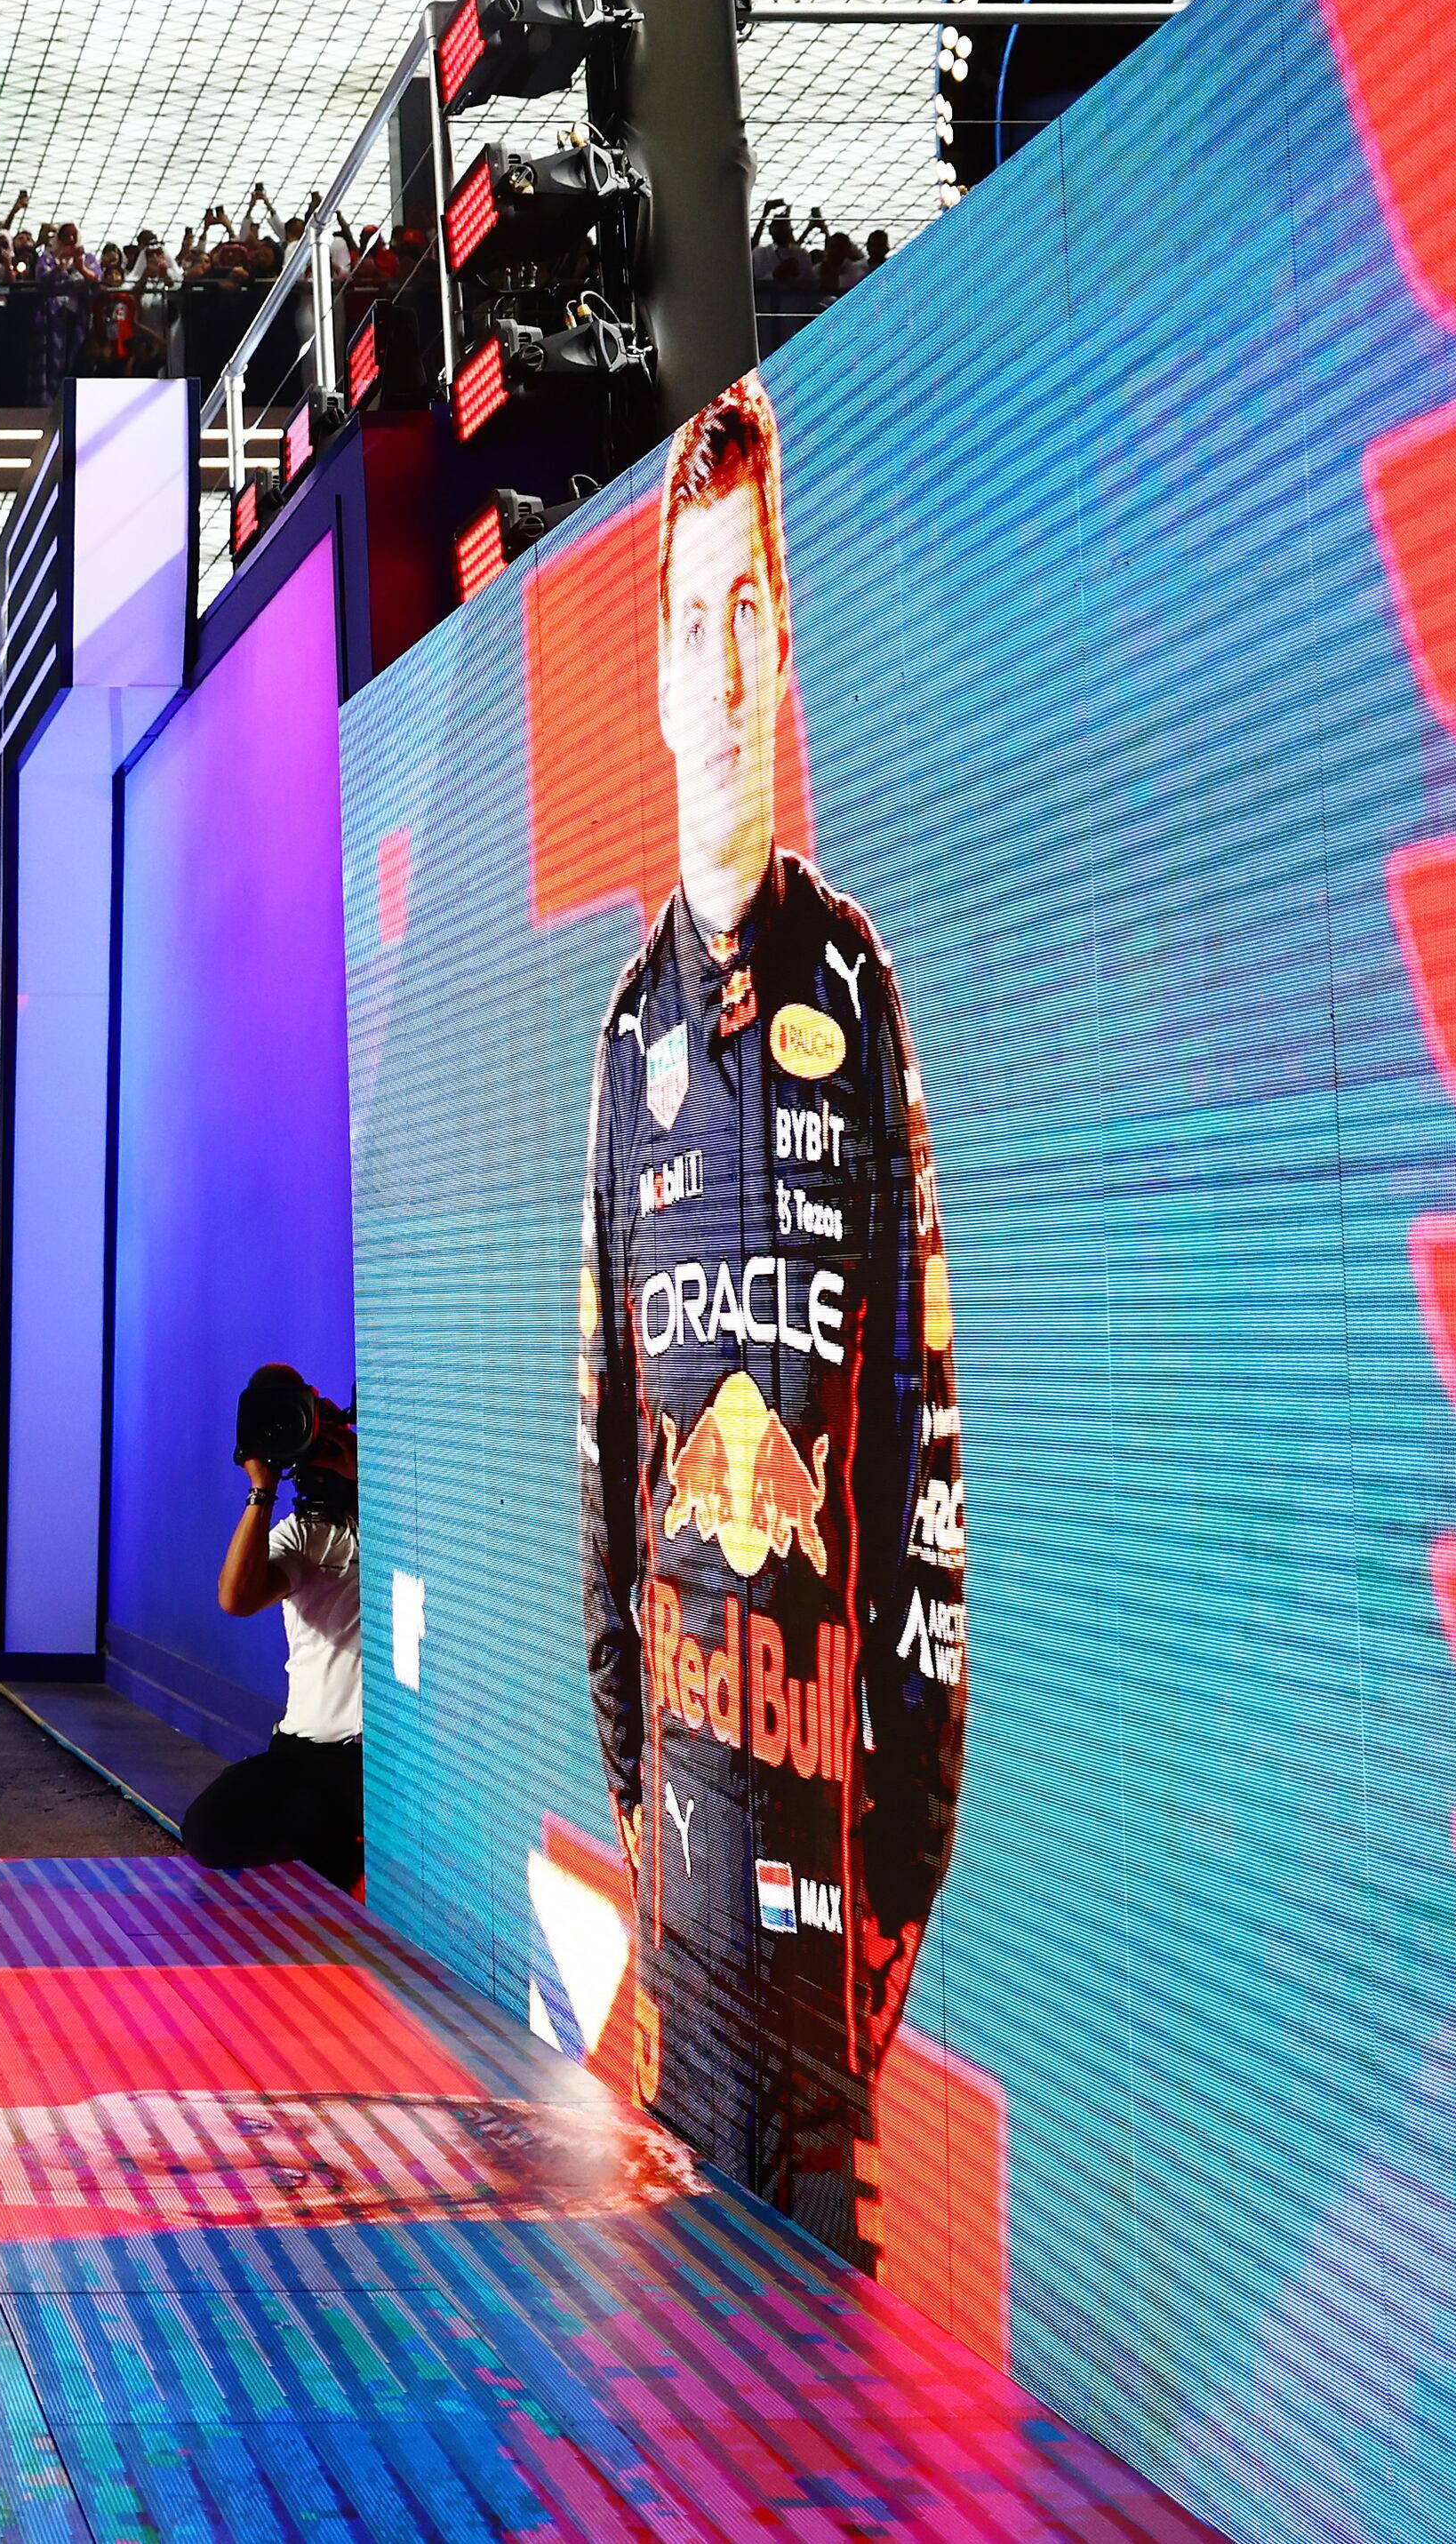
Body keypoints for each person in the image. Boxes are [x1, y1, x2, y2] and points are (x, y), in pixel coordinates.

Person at [577, 373, 965, 2270]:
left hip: (831, 1917)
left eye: (756, 617)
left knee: (826, 2362)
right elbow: (598, 1459)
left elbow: (920, 1435)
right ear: (650, 666)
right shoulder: (625, 1028)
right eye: (693, 618)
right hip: (683, 1899)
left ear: (782, 656)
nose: (723, 666)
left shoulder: (857, 987)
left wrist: (892, 1858)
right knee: (678, 2359)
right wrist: (633, 1783)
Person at [184, 1364, 366, 1890]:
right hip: (306, 1754)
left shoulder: (401, 1528)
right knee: (208, 1830)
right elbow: (235, 1598)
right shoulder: (302, 1538)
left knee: (325, 1826)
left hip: (385, 1759)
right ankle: (339, 1851)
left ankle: (344, 1854)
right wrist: (261, 1489)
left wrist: (361, 1473)